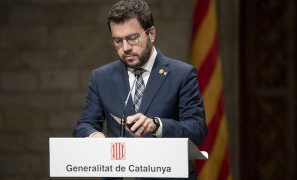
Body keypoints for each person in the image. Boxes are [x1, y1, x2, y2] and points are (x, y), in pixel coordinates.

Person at [73, 0, 207, 179]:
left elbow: (197, 130)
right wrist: (95, 137)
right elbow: (84, 125)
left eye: (132, 38)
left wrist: (156, 125)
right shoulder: (101, 77)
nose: (126, 48)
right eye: (118, 41)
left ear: (151, 34)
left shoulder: (182, 74)